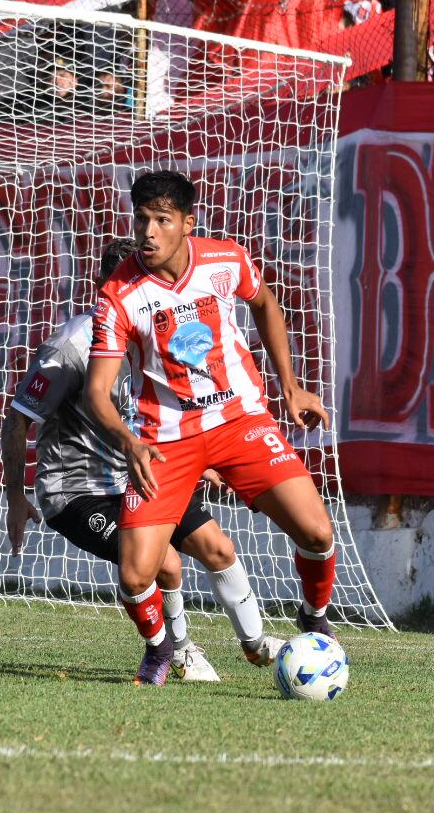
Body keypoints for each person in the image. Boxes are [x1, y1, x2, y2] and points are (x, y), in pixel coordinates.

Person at [87, 172, 339, 687]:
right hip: (164, 442)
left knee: (317, 532)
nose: (148, 233)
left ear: (187, 223)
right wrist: (129, 441)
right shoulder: (118, 294)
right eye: (141, 219)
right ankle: (161, 651)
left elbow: (266, 303)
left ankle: (314, 618)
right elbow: (97, 391)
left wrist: (289, 387)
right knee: (136, 575)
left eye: (162, 220)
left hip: (239, 422)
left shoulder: (226, 259)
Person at [1, 238, 287, 684]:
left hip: (146, 472)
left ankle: (256, 645)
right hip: (77, 491)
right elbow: (18, 420)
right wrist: (15, 495)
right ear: (104, 288)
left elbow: (158, 415)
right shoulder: (71, 349)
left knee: (219, 548)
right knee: (166, 562)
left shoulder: (161, 334)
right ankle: (178, 652)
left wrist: (205, 458)